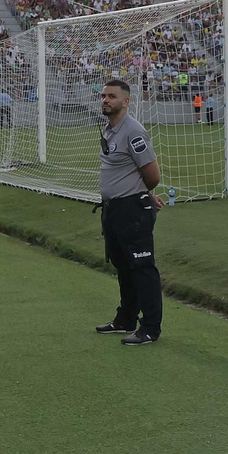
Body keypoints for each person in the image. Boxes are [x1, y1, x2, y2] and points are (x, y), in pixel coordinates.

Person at [94, 78, 164, 346]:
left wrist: (141, 196)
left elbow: (152, 175)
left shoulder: (133, 131)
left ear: (126, 101)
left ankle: (150, 327)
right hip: (114, 210)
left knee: (142, 268)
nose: (105, 100)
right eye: (103, 96)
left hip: (132, 211)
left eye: (111, 96)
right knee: (123, 266)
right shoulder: (110, 130)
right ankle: (126, 318)